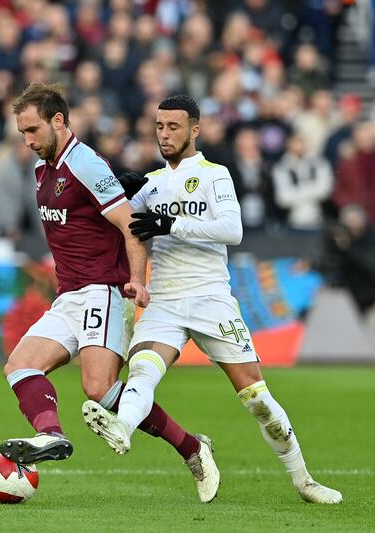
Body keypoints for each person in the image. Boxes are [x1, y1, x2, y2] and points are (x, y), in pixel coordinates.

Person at [89, 95, 342, 505]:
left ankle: (304, 480)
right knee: (142, 372)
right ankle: (122, 429)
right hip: (165, 299)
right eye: (159, 126)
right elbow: (118, 226)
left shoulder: (214, 174)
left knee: (258, 400)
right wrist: (119, 191)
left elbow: (232, 230)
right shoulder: (151, 183)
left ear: (194, 129)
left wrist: (171, 223)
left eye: (174, 126)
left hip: (210, 298)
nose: (165, 134)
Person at [0, 83, 220, 503]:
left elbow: (130, 223)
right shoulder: (43, 168)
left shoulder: (86, 164)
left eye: (32, 130)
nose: (27, 141)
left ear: (58, 121)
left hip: (103, 290)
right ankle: (49, 436)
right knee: (19, 366)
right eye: (22, 133)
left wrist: (137, 279)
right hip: (69, 295)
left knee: (98, 389)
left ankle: (192, 447)